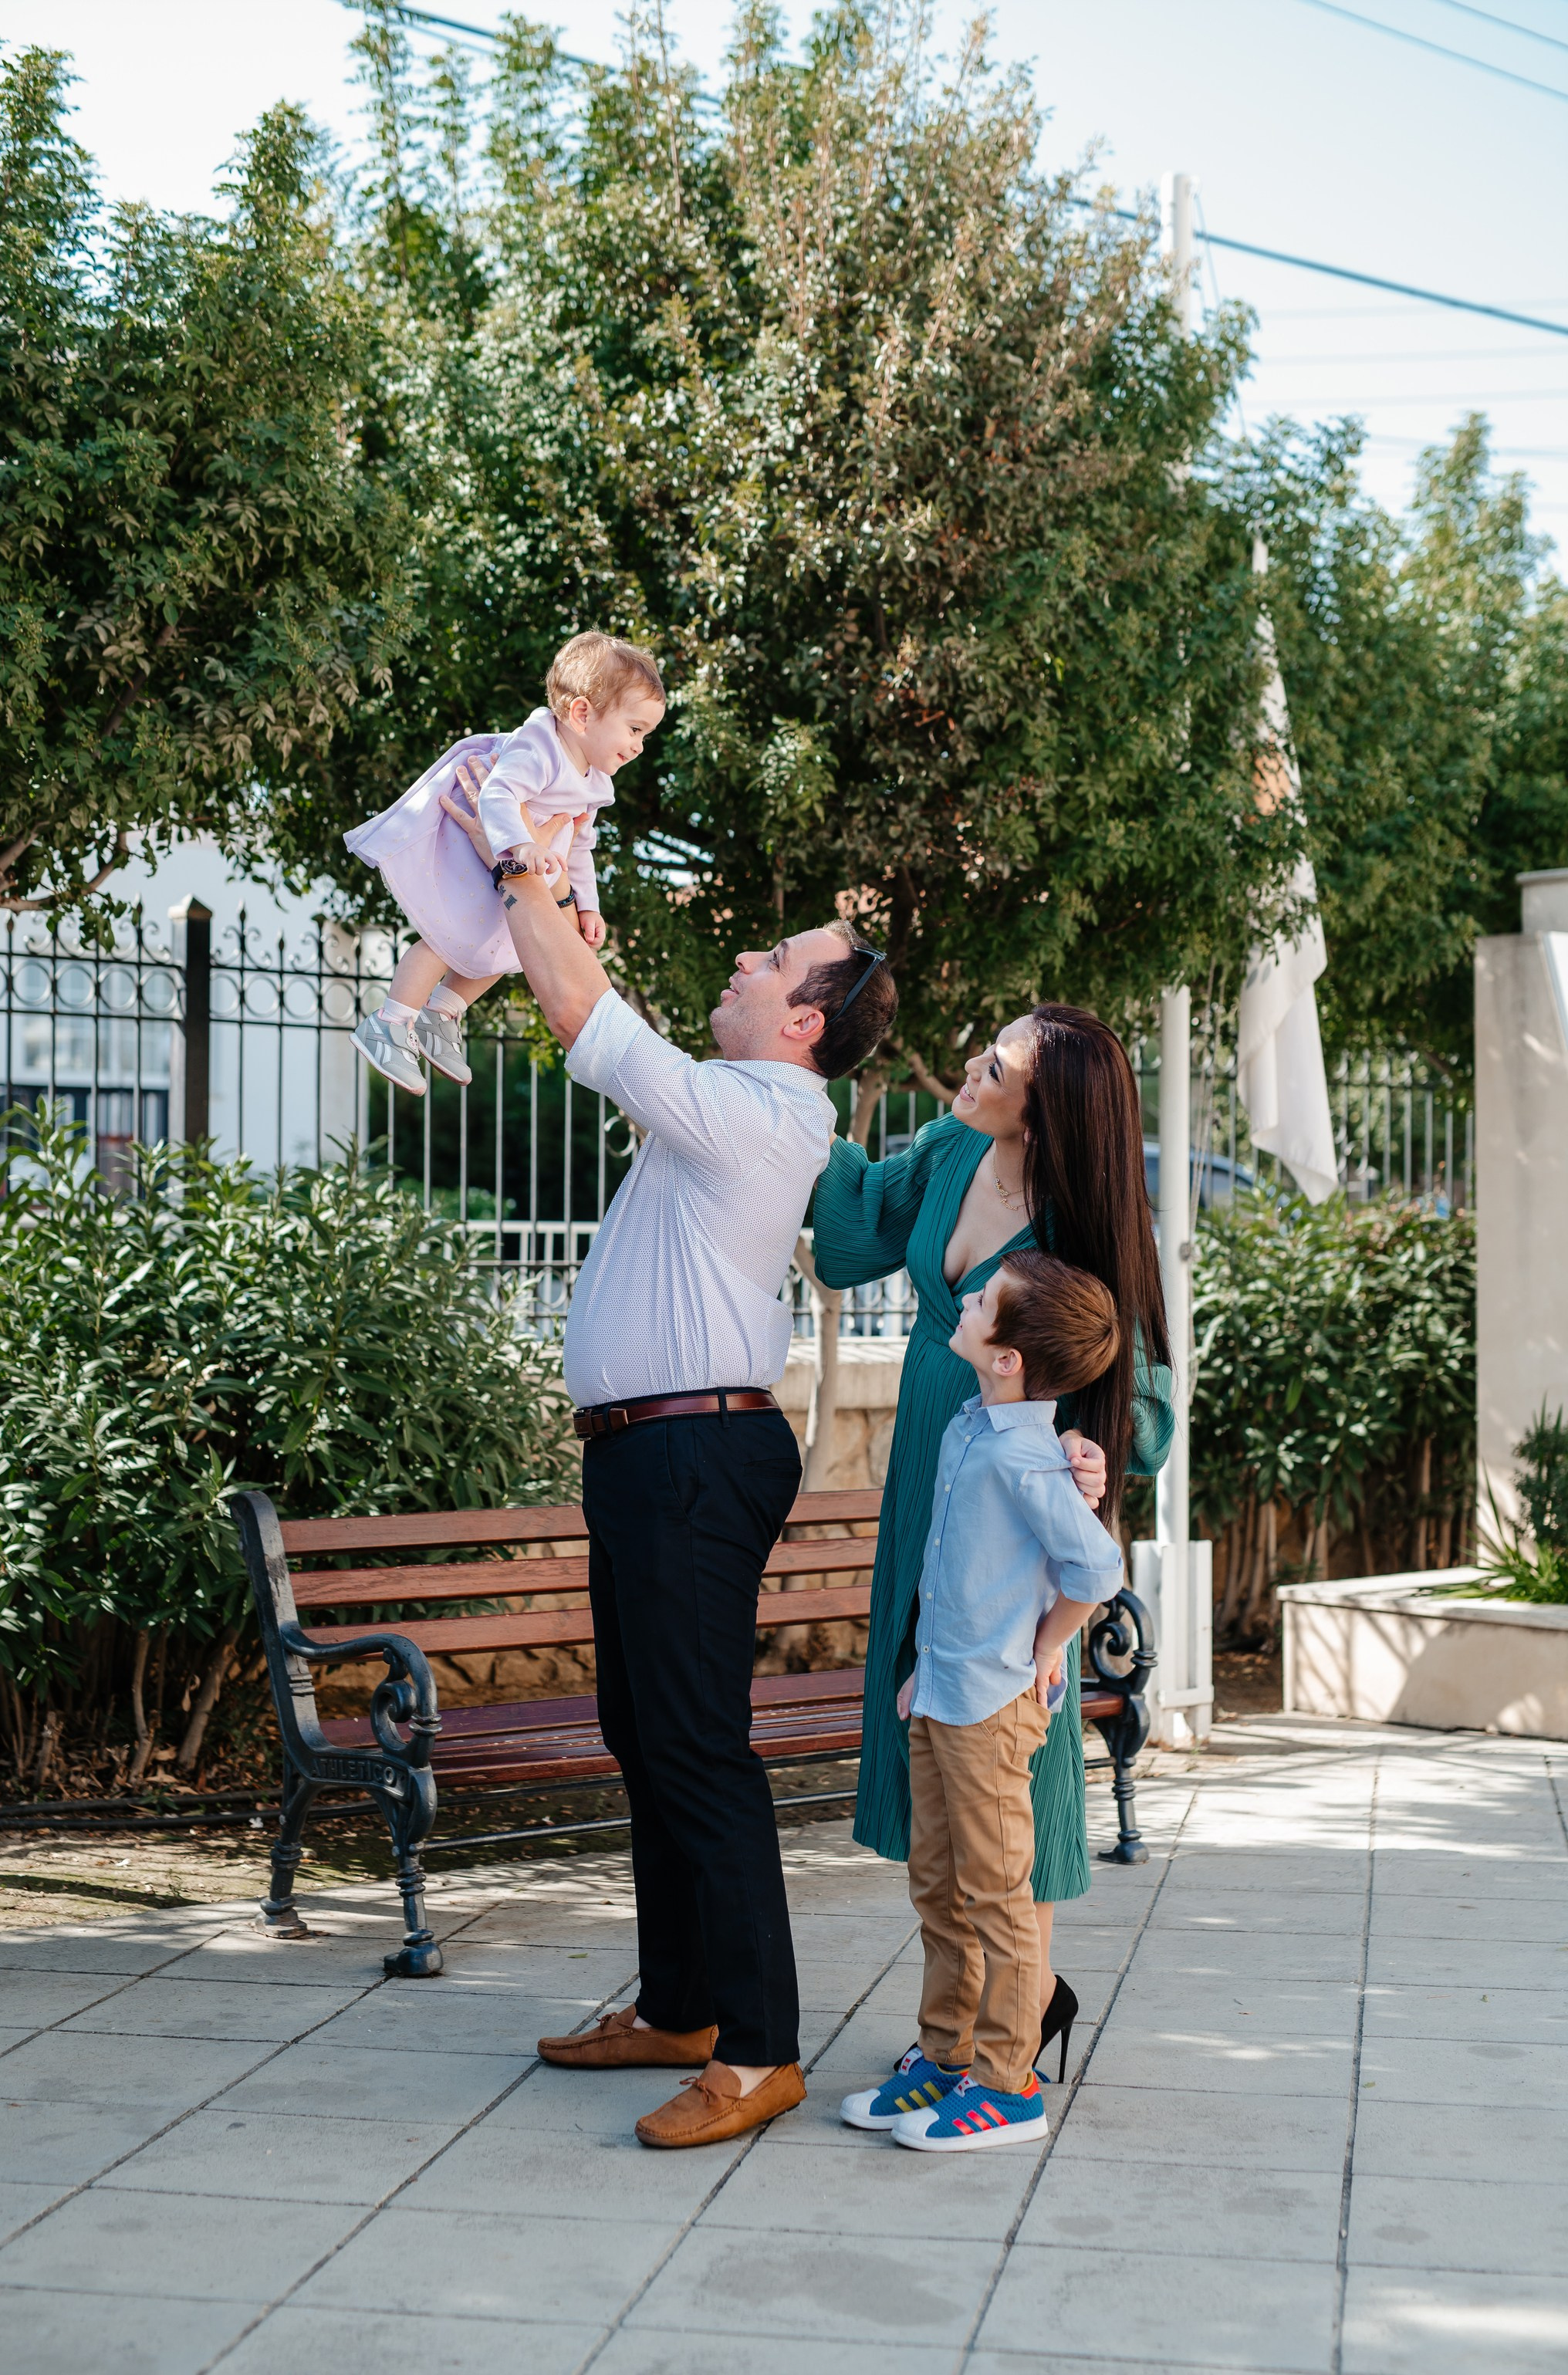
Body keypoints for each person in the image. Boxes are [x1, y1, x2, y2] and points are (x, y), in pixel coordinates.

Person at [442, 774, 900, 2149]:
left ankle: (757, 2049)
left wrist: (518, 860)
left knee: (698, 1746)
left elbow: (587, 1014)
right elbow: (588, 1004)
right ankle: (684, 2003)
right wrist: (551, 902)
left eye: (773, 960)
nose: (746, 960)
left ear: (802, 1018)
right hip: (659, 1454)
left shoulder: (760, 1113)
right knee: (646, 1735)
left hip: (692, 1453)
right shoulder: (723, 1102)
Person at [810, 1006, 1174, 2070]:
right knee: (932, 1733)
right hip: (931, 1457)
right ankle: (966, 2018)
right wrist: (802, 1104)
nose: (970, 1066)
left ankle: (1013, 2017)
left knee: (1012, 1737)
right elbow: (847, 1241)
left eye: (996, 1064)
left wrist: (1088, 1452)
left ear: (1048, 1105)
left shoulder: (1084, 1218)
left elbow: (1141, 1400)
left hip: (1013, 1479)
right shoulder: (950, 1144)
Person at [841, 1250, 1124, 2151]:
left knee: (998, 1898)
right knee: (937, 1885)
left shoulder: (1028, 1459)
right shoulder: (973, 1423)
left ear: (1007, 1357)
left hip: (992, 1711)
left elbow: (1095, 1566)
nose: (963, 1299)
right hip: (940, 1693)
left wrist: (1045, 1648)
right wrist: (925, 1664)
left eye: (983, 1301)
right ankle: (945, 2057)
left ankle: (1009, 2086)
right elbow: (957, 1568)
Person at [343, 633, 665, 1095]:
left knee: (510, 947)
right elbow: (497, 793)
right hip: (477, 851)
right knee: (445, 937)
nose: (638, 746)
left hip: (519, 870)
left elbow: (579, 845)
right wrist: (521, 845)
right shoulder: (540, 746)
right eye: (634, 729)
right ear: (581, 714)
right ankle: (390, 1022)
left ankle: (442, 1013)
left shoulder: (595, 781)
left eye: (645, 735)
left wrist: (589, 907)